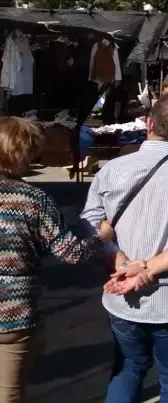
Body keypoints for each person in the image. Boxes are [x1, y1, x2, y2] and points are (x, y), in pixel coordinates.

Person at [80, 95, 168, 403]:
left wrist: (123, 263)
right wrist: (145, 270)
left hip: (121, 295)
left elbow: (90, 224)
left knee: (128, 367)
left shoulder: (112, 170)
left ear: (149, 124)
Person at [0, 117, 114, 402]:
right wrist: (103, 237)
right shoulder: (35, 200)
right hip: (15, 314)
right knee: (8, 395)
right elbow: (71, 253)